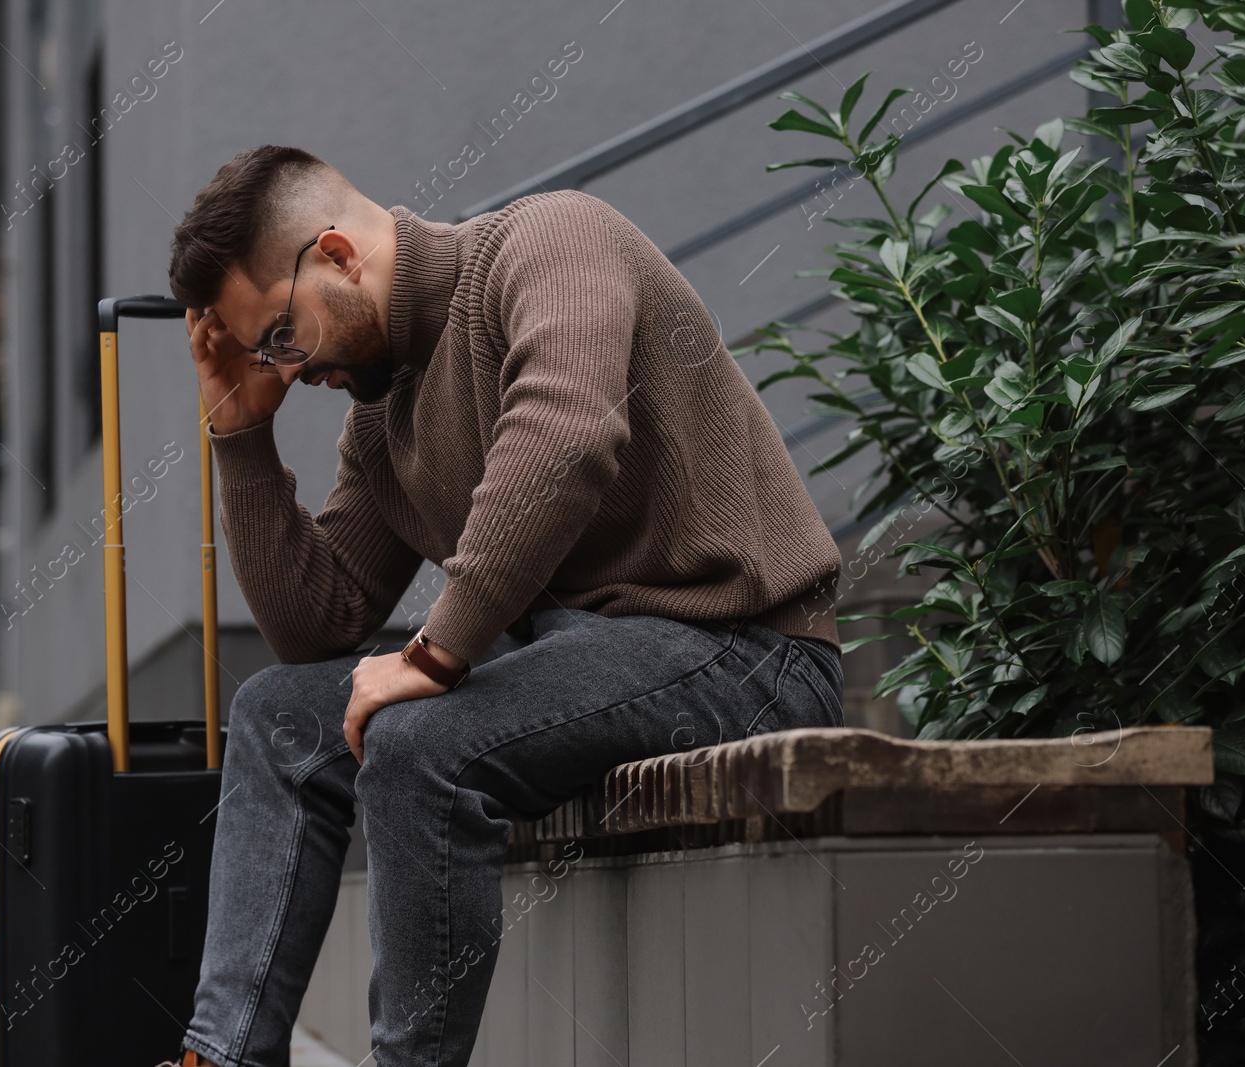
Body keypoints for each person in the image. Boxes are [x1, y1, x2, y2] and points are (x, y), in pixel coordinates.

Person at [161, 145, 843, 1067]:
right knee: (276, 717)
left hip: (743, 648)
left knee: (418, 741)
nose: (287, 368)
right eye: (262, 352)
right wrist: (241, 435)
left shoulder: (551, 241)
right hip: (584, 663)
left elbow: (566, 437)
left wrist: (436, 652)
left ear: (336, 253)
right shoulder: (384, 417)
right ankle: (225, 1056)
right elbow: (317, 623)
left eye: (280, 336)